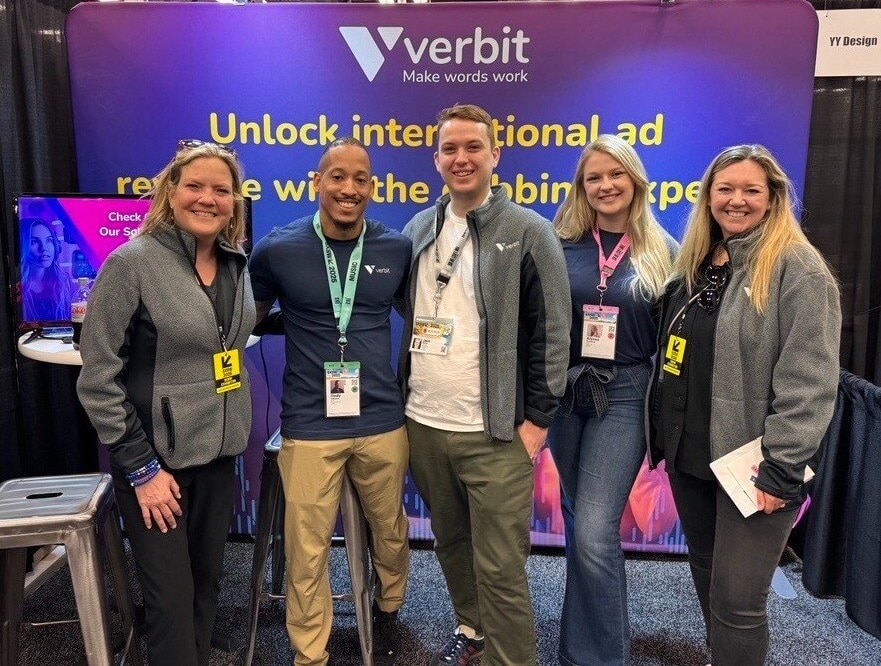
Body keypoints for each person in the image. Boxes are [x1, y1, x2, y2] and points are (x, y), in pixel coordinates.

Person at [649, 144, 841, 666]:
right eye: (725, 189)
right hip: (693, 451)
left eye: (751, 190)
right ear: (708, 196)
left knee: (738, 600)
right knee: (709, 576)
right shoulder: (698, 261)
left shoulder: (798, 271)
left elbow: (810, 381)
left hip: (754, 463)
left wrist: (782, 466)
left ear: (773, 197)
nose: (737, 200)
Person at [400, 103, 571, 666]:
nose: (462, 158)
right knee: (449, 544)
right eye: (450, 148)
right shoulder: (418, 228)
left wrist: (537, 421)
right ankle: (470, 631)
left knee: (500, 566)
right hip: (425, 423)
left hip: (496, 432)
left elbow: (553, 330)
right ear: (436, 159)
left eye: (474, 147)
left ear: (496, 155)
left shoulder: (528, 231)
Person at [77, 140, 255, 666]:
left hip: (217, 457)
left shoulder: (234, 264)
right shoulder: (131, 263)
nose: (208, 198)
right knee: (171, 603)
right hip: (157, 469)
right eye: (195, 186)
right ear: (170, 191)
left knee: (206, 588)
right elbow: (97, 380)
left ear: (233, 202)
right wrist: (142, 469)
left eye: (220, 190)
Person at [249, 137, 411, 666]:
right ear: (316, 182)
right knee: (307, 548)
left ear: (372, 187)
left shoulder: (395, 249)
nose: (348, 188)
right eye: (337, 176)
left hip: (382, 418)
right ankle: (309, 654)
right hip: (309, 423)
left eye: (360, 179)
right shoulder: (279, 248)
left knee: (389, 531)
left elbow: (426, 317)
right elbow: (246, 318)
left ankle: (390, 608)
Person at [546, 134, 677, 665]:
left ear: (635, 180)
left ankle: (603, 658)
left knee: (597, 528)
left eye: (615, 175)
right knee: (580, 519)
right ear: (582, 186)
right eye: (594, 177)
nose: (605, 186)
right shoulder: (561, 243)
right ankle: (581, 649)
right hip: (566, 389)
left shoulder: (664, 251)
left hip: (624, 392)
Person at [21, 218, 71, 322]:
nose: (44, 248)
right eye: (34, 241)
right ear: (22, 246)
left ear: (56, 246)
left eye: (49, 240)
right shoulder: (16, 287)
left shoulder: (65, 282)